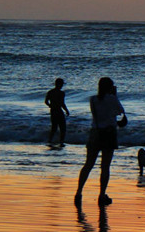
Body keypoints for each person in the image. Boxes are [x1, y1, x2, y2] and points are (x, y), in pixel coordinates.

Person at [75, 77, 127, 206]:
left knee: (88, 164)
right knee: (105, 167)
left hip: (95, 132)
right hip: (109, 133)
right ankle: (102, 194)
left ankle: (79, 192)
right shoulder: (112, 99)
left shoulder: (93, 99)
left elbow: (98, 114)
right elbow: (120, 111)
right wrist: (115, 95)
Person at [45, 78, 70, 146]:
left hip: (53, 111)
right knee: (63, 128)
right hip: (59, 111)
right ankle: (61, 141)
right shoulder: (61, 93)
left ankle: (50, 140)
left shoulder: (50, 92)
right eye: (61, 84)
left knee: (54, 127)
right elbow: (62, 103)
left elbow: (46, 101)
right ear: (60, 84)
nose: (62, 86)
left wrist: (50, 105)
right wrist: (67, 111)